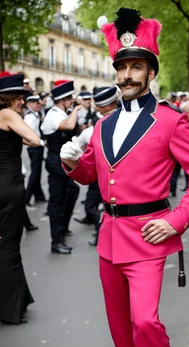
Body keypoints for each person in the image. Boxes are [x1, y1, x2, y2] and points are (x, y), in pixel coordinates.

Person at [60, 8, 189, 347]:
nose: (127, 75)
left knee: (144, 320)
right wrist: (70, 164)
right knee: (117, 317)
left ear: (150, 72)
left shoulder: (170, 120)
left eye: (135, 67)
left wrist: (176, 220)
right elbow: (92, 175)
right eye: (122, 67)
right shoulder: (103, 125)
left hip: (148, 234)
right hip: (109, 236)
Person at [0, 72, 41, 324]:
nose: (23, 102)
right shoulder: (8, 114)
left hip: (2, 184)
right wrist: (26, 139)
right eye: (20, 98)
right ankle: (9, 309)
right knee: (9, 246)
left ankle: (16, 301)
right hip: (10, 185)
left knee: (4, 242)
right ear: (11, 98)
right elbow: (35, 139)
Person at [41, 80, 81, 254]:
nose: (72, 101)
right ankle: (56, 241)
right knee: (57, 201)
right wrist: (78, 110)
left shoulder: (63, 112)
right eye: (70, 98)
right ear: (62, 100)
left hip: (63, 161)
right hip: (55, 161)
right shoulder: (54, 114)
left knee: (71, 191)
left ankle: (62, 228)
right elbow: (68, 126)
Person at [75, 86, 119, 246]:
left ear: (107, 106)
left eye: (98, 105)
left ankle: (100, 231)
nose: (95, 107)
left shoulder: (100, 126)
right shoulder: (102, 124)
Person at [23, 92, 47, 205]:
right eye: (36, 103)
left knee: (37, 172)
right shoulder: (29, 117)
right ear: (29, 104)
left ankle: (39, 196)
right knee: (35, 173)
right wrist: (38, 143)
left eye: (39, 103)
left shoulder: (35, 115)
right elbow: (26, 134)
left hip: (37, 147)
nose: (39, 105)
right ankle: (26, 198)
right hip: (35, 147)